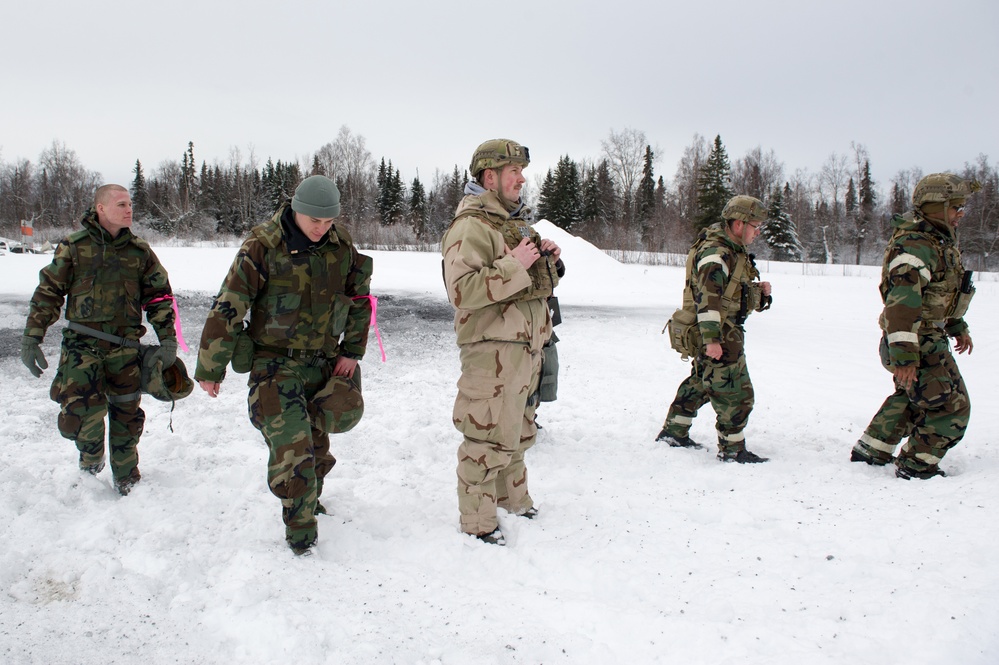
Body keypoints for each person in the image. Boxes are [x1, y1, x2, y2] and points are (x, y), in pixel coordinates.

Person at [195, 175, 372, 555]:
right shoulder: (262, 246)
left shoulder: (341, 247)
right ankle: (302, 536)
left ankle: (310, 499)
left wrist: (351, 352)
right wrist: (211, 368)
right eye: (314, 222)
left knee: (318, 446)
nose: (321, 229)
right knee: (294, 449)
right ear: (296, 210)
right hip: (273, 365)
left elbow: (359, 301)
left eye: (328, 223)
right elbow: (228, 306)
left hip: (322, 365)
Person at [441, 139, 563, 545]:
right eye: (514, 172)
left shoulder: (517, 224)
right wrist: (517, 263)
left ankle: (514, 503)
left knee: (518, 432)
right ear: (489, 177)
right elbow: (462, 291)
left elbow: (533, 284)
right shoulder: (470, 226)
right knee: (486, 436)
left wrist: (548, 261)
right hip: (490, 354)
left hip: (526, 350)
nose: (522, 179)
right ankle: (478, 524)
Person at [21, 184, 179, 495]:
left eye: (130, 204)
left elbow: (159, 297)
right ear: (101, 209)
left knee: (127, 417)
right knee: (82, 415)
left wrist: (168, 340)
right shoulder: (74, 247)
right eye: (121, 204)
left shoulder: (140, 252)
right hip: (82, 348)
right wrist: (32, 337)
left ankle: (127, 479)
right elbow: (49, 292)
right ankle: (90, 465)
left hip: (125, 350)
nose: (128, 209)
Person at [851, 173, 978, 479]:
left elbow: (939, 294)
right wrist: (905, 356)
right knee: (951, 407)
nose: (960, 214)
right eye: (955, 207)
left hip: (922, 337)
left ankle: (873, 449)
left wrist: (956, 324)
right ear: (936, 207)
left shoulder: (937, 241)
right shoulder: (917, 246)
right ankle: (917, 464)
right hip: (916, 342)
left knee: (915, 397)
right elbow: (902, 304)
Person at [656, 195, 773, 463]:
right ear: (739, 224)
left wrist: (760, 294)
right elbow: (708, 299)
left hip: (721, 329)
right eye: (755, 226)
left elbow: (732, 294)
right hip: (719, 332)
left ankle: (674, 431)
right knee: (737, 392)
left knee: (701, 382)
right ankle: (732, 449)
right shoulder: (716, 254)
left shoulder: (731, 250)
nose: (758, 232)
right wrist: (712, 340)